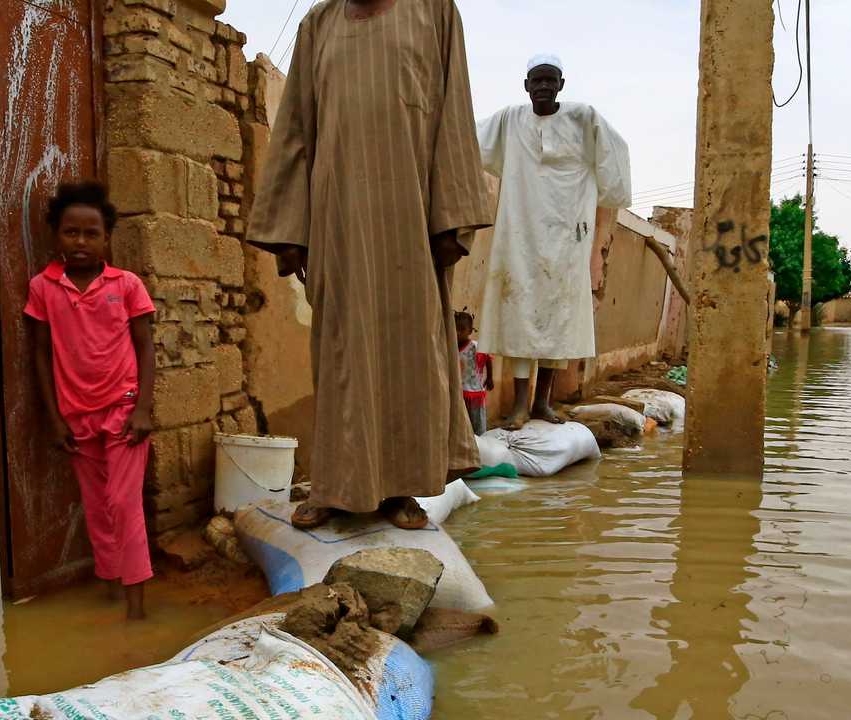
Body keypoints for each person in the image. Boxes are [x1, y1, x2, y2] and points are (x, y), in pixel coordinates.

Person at [247, 0, 493, 530]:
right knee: (341, 354)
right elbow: (293, 128)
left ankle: (402, 489)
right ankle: (335, 488)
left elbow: (454, 112)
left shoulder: (435, 12)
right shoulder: (319, 23)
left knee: (409, 353)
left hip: (412, 218)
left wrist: (453, 219)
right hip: (337, 218)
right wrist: (290, 231)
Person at [477, 53, 632, 429]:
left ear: (562, 84)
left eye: (551, 80)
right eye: (537, 80)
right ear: (526, 85)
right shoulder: (509, 120)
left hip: (567, 236)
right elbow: (466, 136)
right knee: (518, 314)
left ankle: (542, 403)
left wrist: (608, 195)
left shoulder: (584, 118)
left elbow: (616, 156)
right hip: (520, 233)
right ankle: (518, 405)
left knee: (557, 319)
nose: (543, 86)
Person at [25, 181, 156, 620]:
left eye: (91, 234)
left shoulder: (127, 284)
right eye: (71, 232)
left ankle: (137, 611)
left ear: (106, 239)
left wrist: (142, 409)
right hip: (76, 414)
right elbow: (41, 355)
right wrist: (55, 417)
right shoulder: (43, 287)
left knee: (123, 503)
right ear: (56, 235)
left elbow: (146, 347)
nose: (80, 241)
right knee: (97, 506)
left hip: (123, 409)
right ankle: (111, 592)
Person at [456, 311, 494, 435]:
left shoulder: (475, 346)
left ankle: (481, 442)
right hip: (460, 392)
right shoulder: (451, 347)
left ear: (470, 331)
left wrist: (490, 378)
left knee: (477, 420)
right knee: (462, 421)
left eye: (462, 329)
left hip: (475, 392)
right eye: (455, 329)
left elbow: (487, 358)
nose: (458, 333)